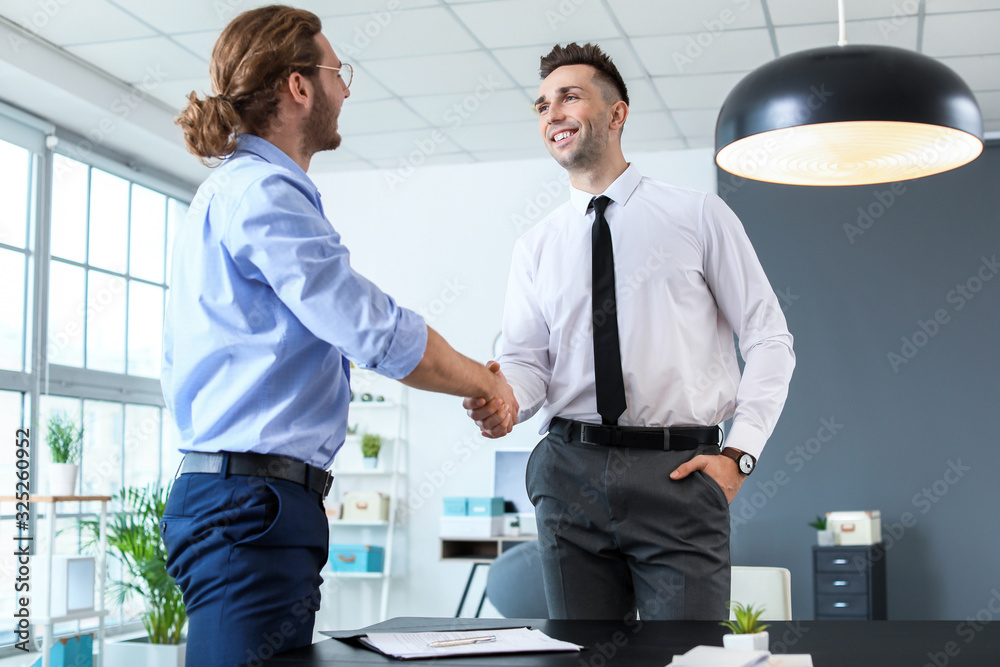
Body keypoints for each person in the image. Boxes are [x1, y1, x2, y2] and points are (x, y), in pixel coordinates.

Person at [160, 6, 516, 666]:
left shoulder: (239, 191)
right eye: (336, 73)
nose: (345, 89)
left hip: (256, 503)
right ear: (299, 87)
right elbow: (372, 328)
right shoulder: (263, 191)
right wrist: (485, 382)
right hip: (249, 508)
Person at [465, 43, 795, 621]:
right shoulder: (536, 247)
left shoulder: (698, 216)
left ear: (617, 114)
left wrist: (740, 455)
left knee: (689, 659)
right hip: (569, 471)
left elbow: (769, 339)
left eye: (570, 96)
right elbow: (527, 362)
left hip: (677, 475)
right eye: (542, 105)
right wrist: (505, 398)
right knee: (582, 657)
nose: (552, 114)